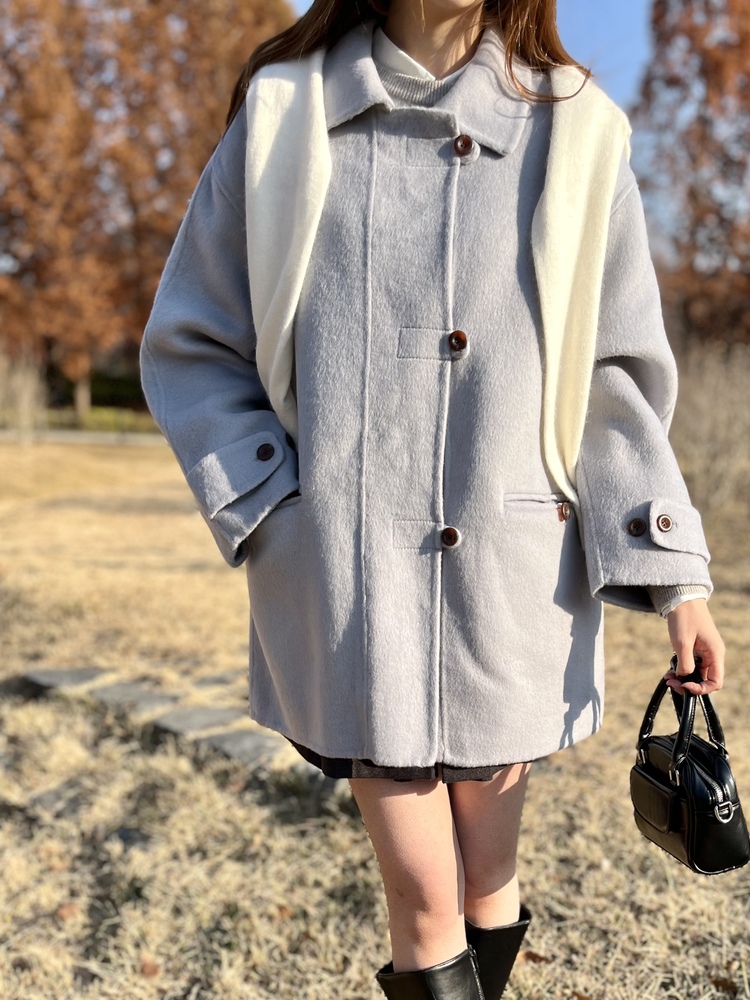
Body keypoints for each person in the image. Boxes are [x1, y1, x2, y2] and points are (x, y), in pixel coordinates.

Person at [140, 0, 726, 996]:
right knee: (423, 900)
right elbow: (191, 344)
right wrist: (277, 509)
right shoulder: (287, 113)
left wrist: (678, 578)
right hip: (350, 580)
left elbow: (613, 380)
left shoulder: (577, 131)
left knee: (489, 881)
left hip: (514, 581)